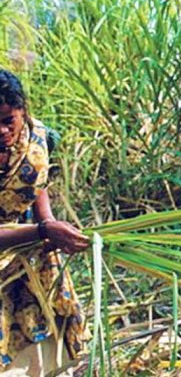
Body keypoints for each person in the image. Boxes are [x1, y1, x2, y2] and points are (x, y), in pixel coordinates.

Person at [0, 70, 88, 375]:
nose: (2, 130)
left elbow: (39, 185)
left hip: (33, 251)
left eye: (9, 120)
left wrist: (48, 223)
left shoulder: (38, 138)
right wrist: (41, 230)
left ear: (22, 110)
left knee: (45, 326)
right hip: (9, 246)